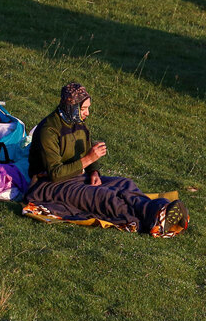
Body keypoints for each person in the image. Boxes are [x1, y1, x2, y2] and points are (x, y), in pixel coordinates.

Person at [25, 82, 189, 237]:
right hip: (48, 186)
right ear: (71, 107)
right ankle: (152, 222)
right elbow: (55, 173)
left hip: (76, 176)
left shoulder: (78, 123)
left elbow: (86, 152)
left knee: (125, 184)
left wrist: (94, 171)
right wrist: (89, 160)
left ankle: (159, 209)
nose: (87, 113)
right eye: (83, 109)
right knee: (105, 197)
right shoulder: (49, 130)